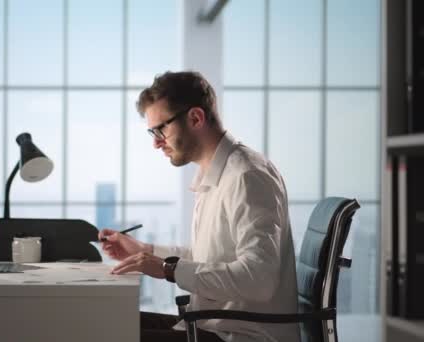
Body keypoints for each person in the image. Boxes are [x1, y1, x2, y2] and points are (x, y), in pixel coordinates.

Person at [98, 71, 299, 342]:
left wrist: (168, 269)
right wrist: (146, 252)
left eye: (162, 129)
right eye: (152, 132)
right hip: (211, 325)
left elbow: (258, 279)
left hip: (239, 335)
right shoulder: (215, 175)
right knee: (100, 320)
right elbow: (213, 257)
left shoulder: (246, 176)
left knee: (99, 332)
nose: (156, 142)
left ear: (195, 118)